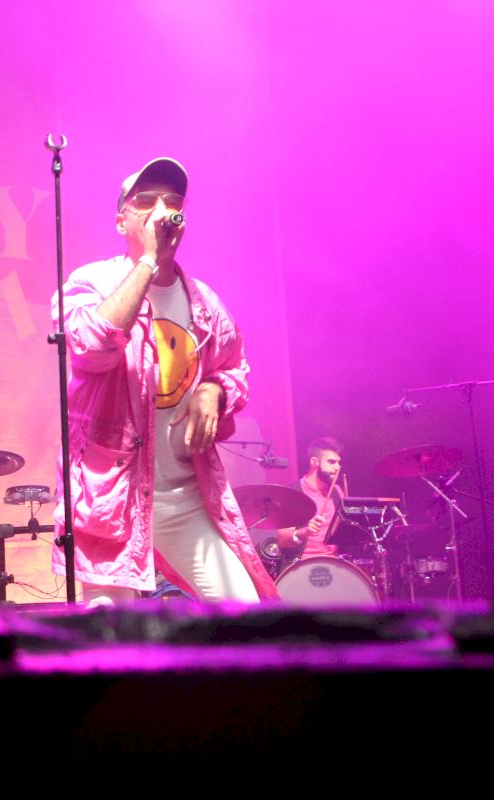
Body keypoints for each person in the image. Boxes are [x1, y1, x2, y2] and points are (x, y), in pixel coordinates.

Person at [51, 157, 277, 606]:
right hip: (112, 497)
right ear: (122, 221)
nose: (162, 209)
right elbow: (92, 347)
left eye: (172, 201)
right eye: (147, 201)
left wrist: (215, 389)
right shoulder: (90, 283)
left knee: (245, 615)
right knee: (111, 634)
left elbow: (235, 367)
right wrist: (149, 262)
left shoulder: (205, 302)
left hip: (184, 497)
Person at [278, 436, 347, 559]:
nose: (337, 467)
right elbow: (282, 539)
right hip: (304, 562)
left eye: (338, 463)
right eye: (331, 462)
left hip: (334, 560)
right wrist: (304, 532)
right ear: (314, 462)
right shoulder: (293, 494)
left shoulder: (337, 491)